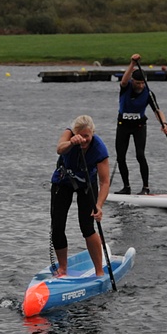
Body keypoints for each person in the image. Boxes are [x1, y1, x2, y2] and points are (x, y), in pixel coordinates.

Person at [50, 115, 110, 277]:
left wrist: (99, 205)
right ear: (74, 133)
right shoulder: (69, 135)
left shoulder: (99, 148)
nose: (83, 140)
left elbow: (105, 182)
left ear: (92, 134)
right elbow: (59, 149)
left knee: (87, 227)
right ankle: (63, 268)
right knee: (57, 226)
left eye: (87, 136)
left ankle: (99, 271)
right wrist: (71, 143)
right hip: (63, 182)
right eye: (80, 136)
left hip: (86, 185)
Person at [114, 53, 167, 195]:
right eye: (138, 83)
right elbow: (124, 80)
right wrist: (132, 63)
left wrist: (164, 123)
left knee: (140, 155)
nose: (140, 86)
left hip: (139, 126)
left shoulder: (149, 93)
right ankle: (126, 187)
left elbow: (157, 111)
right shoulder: (126, 87)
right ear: (133, 81)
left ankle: (145, 188)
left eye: (142, 83)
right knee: (120, 157)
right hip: (123, 125)